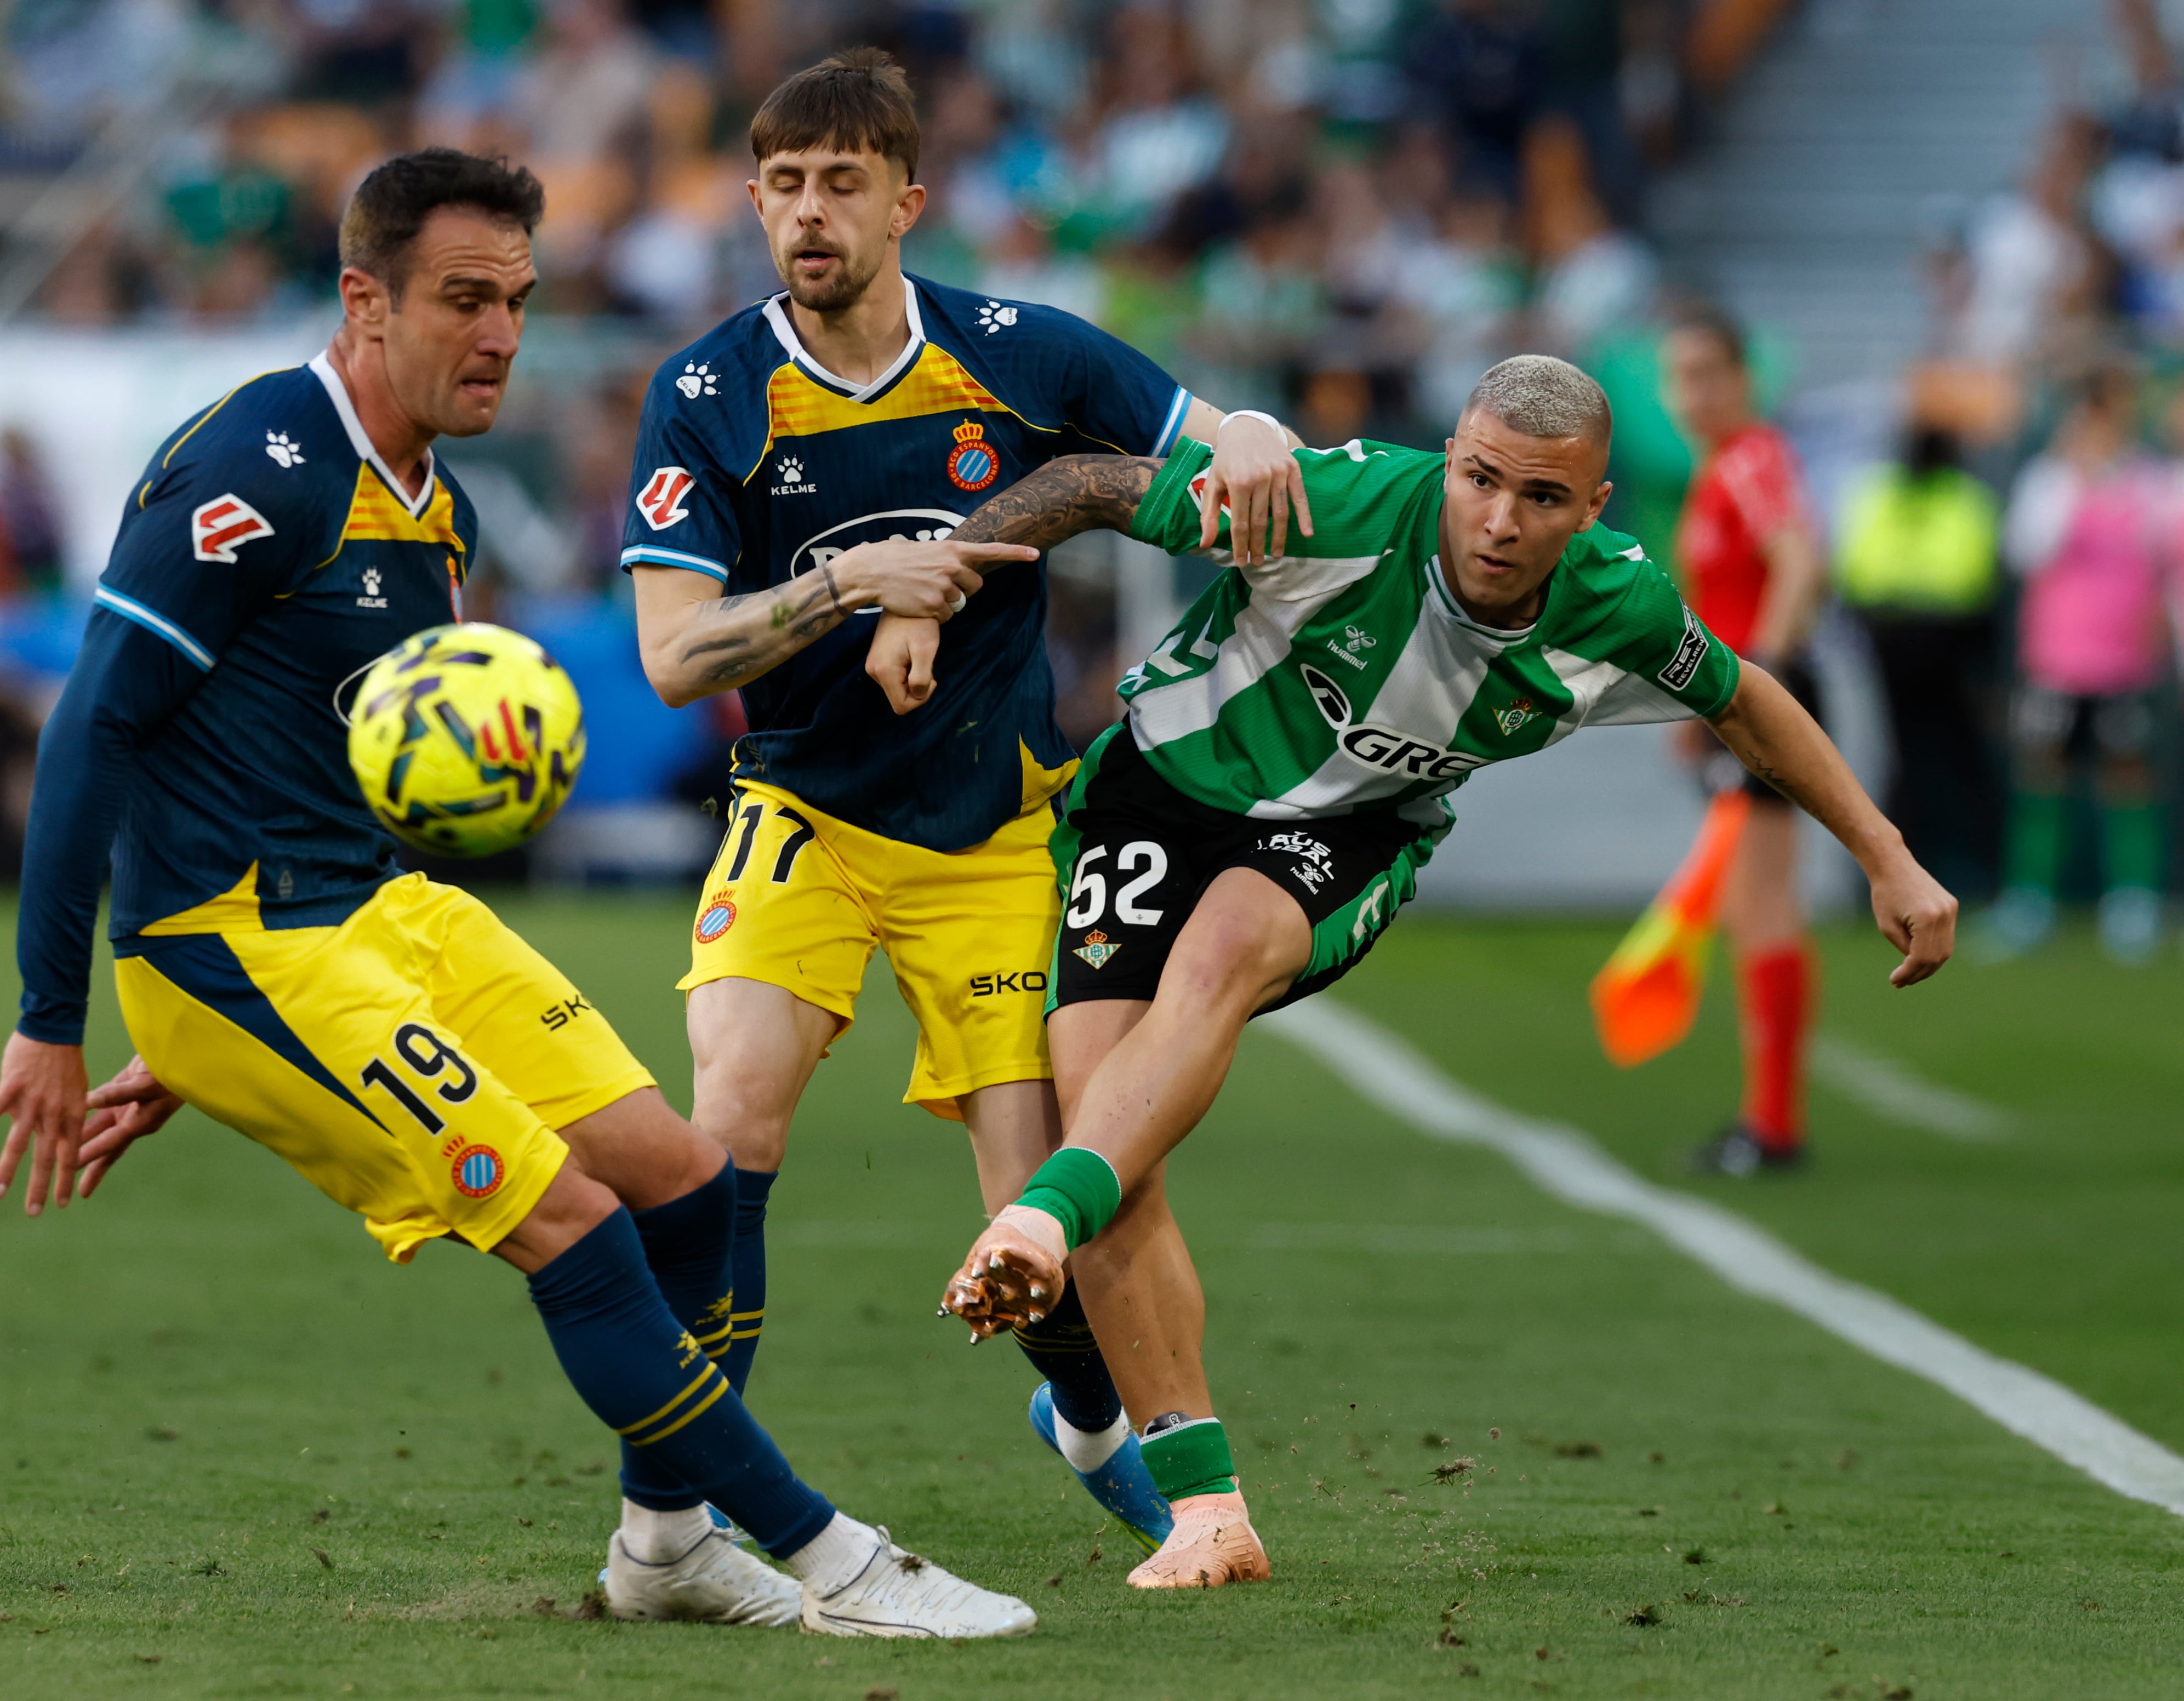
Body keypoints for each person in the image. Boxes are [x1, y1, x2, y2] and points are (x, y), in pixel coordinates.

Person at [0, 147, 1034, 1642]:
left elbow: (275, 758)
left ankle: (664, 1548)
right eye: (466, 299)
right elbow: (99, 722)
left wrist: (224, 1059)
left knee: (691, 1185)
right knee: (574, 1225)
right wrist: (50, 1018)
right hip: (234, 943)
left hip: (370, 920)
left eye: (519, 301)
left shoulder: (437, 510)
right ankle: (835, 1561)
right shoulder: (258, 463)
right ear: (364, 301)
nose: (502, 336)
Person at [931, 355, 1958, 1584]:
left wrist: (1889, 857)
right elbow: (1092, 482)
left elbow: (1749, 702)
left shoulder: (1613, 601)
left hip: (1351, 832)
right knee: (1108, 1123)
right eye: (1479, 480)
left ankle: (1088, 1300)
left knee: (1215, 967)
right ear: (1453, 459)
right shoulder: (1345, 503)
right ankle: (1158, 1464)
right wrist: (919, 595)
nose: (1499, 520)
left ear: (1591, 505)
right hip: (1153, 790)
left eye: (1538, 497)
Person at [620, 47, 1310, 1567]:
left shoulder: (1019, 352)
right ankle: (687, 1506)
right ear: (750, 201)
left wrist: (1252, 429)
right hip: (801, 815)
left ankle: (1089, 1423)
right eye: (784, 187)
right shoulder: (710, 392)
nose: (810, 216)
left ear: (907, 203)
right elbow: (674, 658)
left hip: (996, 838)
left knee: (1037, 1208)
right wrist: (851, 584)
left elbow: (1208, 439)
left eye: (843, 186)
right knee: (725, 1117)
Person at [1660, 307, 1831, 1176]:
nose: (1689, 395)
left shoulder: (1753, 458)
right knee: (1749, 902)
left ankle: (1773, 1124)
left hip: (1762, 698)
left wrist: (1757, 680)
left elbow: (1802, 560)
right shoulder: (1723, 468)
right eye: (1676, 377)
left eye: (1704, 375)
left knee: (1762, 898)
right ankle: (1768, 1116)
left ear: (1740, 378)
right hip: (1739, 702)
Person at [1989, 368, 2174, 963]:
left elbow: (2168, 559)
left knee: (2128, 773)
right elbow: (2026, 547)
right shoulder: (2049, 479)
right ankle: (2029, 899)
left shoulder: (2154, 482)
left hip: (2127, 661)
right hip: (2058, 659)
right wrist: (2077, 479)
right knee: (2044, 772)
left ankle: (2133, 903)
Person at [1831, 424, 2003, 900]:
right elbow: (1967, 576)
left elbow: (1861, 570)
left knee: (1924, 759)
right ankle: (1927, 869)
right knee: (1935, 759)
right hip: (1930, 643)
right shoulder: (1962, 498)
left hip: (1918, 644)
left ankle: (1942, 868)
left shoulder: (1882, 494)